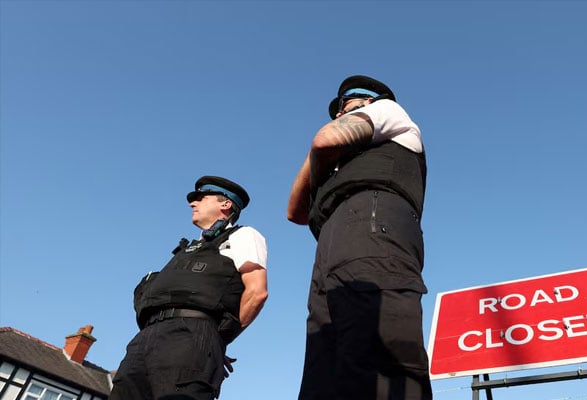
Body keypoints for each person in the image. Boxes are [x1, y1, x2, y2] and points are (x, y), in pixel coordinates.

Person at [288, 75, 432, 400]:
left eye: (345, 106)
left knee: (376, 352)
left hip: (371, 218)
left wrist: (323, 147)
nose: (339, 114)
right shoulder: (335, 164)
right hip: (331, 239)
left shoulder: (388, 110)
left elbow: (324, 140)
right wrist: (320, 157)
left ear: (367, 102)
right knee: (323, 370)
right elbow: (294, 211)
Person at [110, 176, 268, 400]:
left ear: (226, 204)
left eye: (201, 198)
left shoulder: (243, 235)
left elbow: (257, 291)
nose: (192, 203)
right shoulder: (187, 250)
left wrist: (219, 339)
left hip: (191, 333)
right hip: (145, 337)